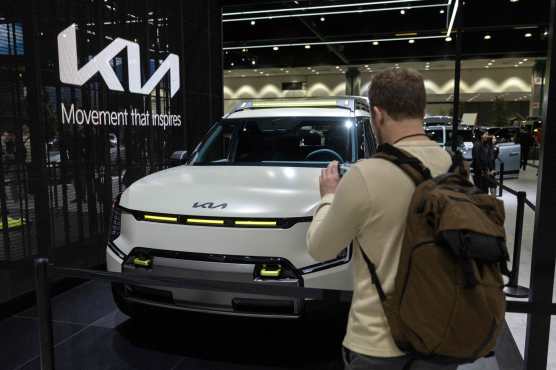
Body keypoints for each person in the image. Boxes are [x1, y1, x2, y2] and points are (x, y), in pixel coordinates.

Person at [306, 68, 453, 370]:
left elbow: (320, 248)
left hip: (379, 344)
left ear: (378, 114)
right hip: (441, 336)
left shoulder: (366, 174)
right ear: (422, 110)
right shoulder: (452, 165)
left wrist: (328, 197)